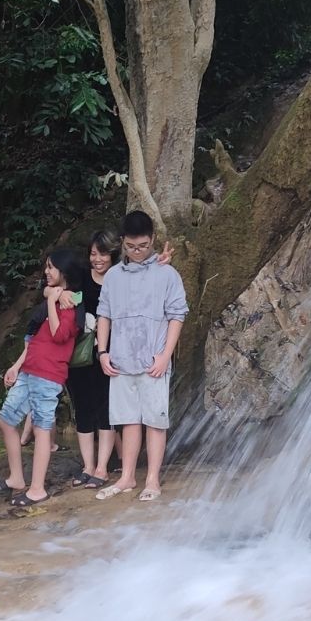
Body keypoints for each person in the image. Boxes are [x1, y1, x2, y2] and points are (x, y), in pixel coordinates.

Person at [95, 211, 188, 502]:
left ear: (153, 240)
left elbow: (177, 316)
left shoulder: (167, 274)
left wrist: (165, 356)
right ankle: (126, 477)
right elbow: (104, 314)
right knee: (128, 420)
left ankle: (152, 479)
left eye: (144, 246)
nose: (137, 252)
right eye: (132, 247)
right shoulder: (112, 276)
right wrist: (102, 351)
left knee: (155, 421)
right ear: (122, 242)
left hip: (153, 361)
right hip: (121, 360)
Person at [0, 248, 86, 506]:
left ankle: (37, 489)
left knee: (42, 429)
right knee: (6, 420)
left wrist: (51, 301)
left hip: (49, 375)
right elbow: (35, 339)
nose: (46, 272)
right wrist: (16, 365)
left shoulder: (73, 303)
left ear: (64, 271)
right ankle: (17, 479)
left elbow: (58, 335)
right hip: (29, 370)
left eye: (50, 267)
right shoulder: (55, 297)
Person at [66, 229, 121, 490]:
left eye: (103, 254)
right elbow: (57, 290)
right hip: (80, 352)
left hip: (111, 353)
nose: (97, 259)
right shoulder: (80, 278)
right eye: (93, 253)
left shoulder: (121, 278)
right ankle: (88, 466)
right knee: (83, 407)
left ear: (113, 254)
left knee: (106, 408)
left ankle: (102, 468)